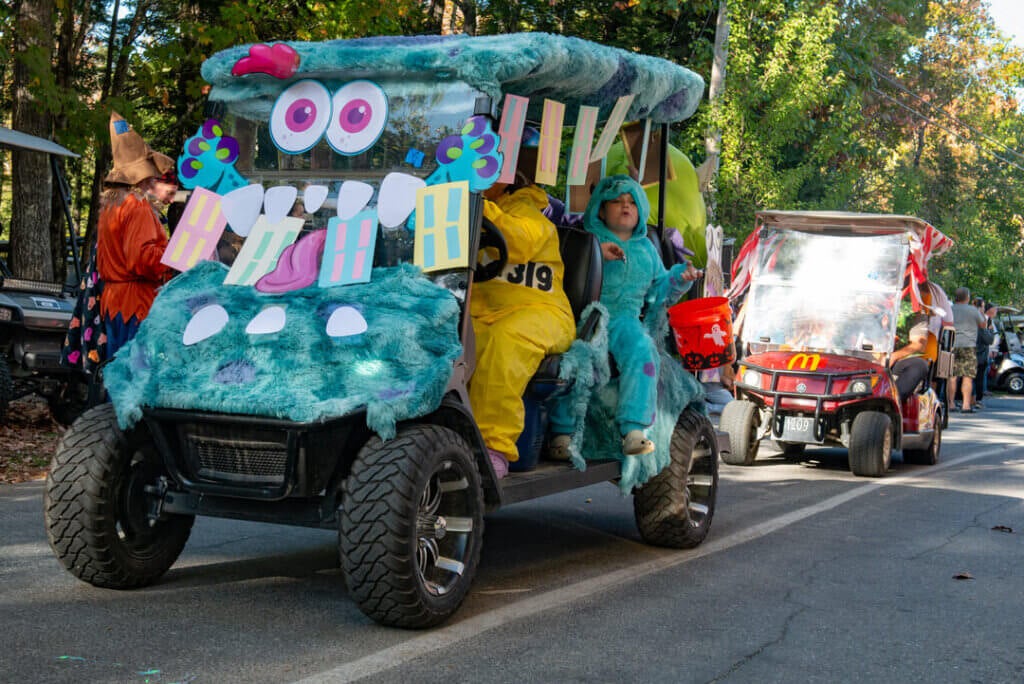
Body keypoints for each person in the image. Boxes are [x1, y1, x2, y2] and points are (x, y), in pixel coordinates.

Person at [548, 175, 701, 458]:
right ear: (601, 210)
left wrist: (681, 277)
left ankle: (633, 431)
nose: (625, 206)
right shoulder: (587, 240)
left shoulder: (647, 250)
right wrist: (594, 253)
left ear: (641, 209)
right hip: (584, 317)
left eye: (631, 201)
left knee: (642, 351)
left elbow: (660, 291)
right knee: (573, 358)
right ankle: (562, 435)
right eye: (616, 201)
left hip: (625, 320)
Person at [469, 173, 576, 479]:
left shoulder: (528, 209)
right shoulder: (479, 206)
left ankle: (493, 446)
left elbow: (517, 241)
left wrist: (474, 204)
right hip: (484, 310)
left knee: (506, 341)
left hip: (542, 311)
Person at [96, 112, 177, 357]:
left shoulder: (111, 205)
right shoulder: (136, 205)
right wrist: (176, 252)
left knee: (119, 375)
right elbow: (142, 259)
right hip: (135, 304)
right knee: (136, 376)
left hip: (113, 301)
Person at [950, 286, 987, 413]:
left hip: (952, 344)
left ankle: (951, 404)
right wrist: (980, 312)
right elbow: (983, 325)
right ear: (967, 297)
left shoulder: (950, 309)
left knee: (952, 375)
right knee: (967, 376)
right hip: (969, 346)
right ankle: (966, 405)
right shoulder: (972, 310)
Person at [889, 298, 930, 401]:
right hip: (864, 357)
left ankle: (893, 402)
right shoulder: (864, 305)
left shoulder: (914, 309)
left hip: (897, 360)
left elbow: (919, 344)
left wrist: (893, 356)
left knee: (919, 365)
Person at [973, 300, 996, 409]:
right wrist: (990, 331)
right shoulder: (980, 320)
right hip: (980, 353)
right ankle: (976, 400)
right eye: (982, 306)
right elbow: (988, 339)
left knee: (969, 378)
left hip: (972, 350)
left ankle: (970, 399)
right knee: (978, 378)